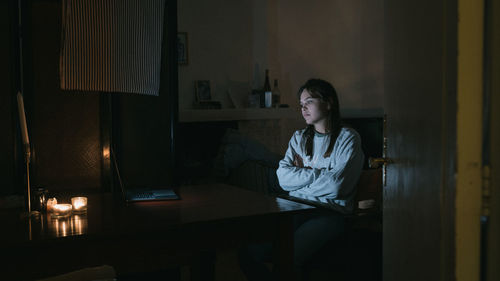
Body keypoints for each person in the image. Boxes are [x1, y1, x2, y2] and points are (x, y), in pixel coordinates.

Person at [238, 78, 365, 280]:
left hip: (328, 212)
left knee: (289, 257)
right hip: (293, 206)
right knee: (248, 252)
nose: (303, 108)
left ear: (329, 103)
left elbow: (337, 185)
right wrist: (320, 174)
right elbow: (283, 178)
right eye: (301, 104)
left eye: (309, 102)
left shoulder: (348, 138)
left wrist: (302, 176)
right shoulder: (299, 138)